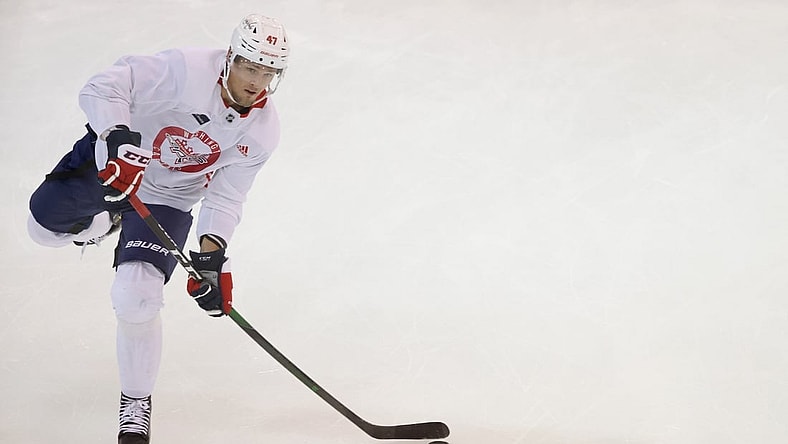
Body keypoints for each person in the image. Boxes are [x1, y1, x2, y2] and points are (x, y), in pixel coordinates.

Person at [26, 13, 289, 444]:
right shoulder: (185, 70)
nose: (256, 81)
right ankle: (104, 222)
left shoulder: (262, 132)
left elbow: (226, 197)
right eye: (249, 66)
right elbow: (103, 86)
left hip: (168, 198)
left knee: (136, 295)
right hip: (116, 168)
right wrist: (117, 137)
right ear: (230, 58)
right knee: (40, 229)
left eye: (267, 72)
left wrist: (210, 257)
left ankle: (135, 402)